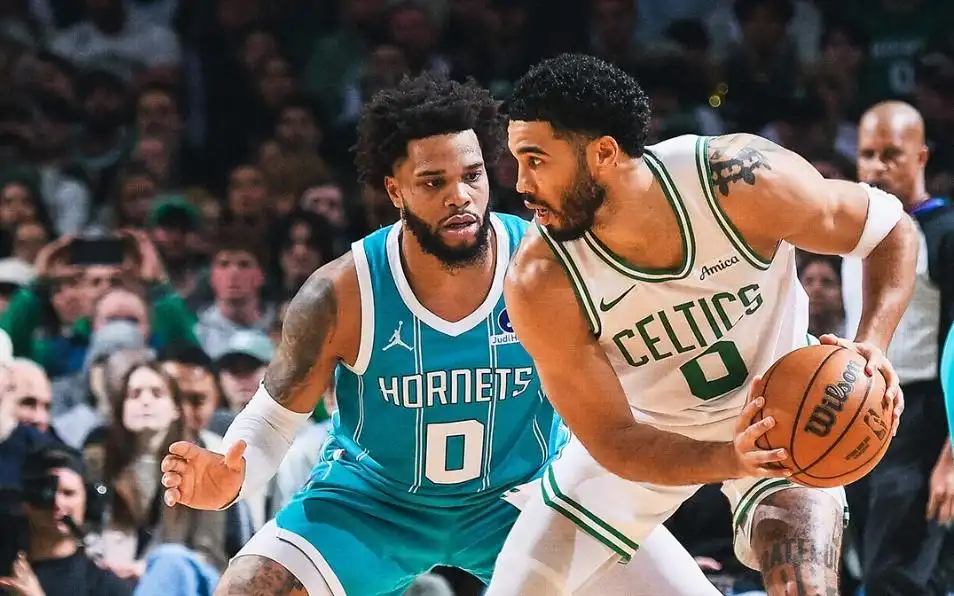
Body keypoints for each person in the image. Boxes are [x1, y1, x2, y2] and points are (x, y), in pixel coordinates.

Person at [159, 73, 711, 596]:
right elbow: (274, 419)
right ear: (395, 191)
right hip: (374, 503)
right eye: (433, 182)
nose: (460, 196)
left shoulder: (548, 264)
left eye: (472, 175)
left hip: (526, 496)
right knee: (248, 587)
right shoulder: (341, 292)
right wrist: (233, 478)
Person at [487, 53, 918, 595]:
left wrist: (873, 343)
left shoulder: (735, 180)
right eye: (517, 160)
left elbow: (890, 230)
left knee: (806, 584)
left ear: (603, 153)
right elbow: (614, 438)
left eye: (536, 160)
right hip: (647, 433)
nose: (520, 183)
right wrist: (729, 457)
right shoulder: (541, 279)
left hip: (782, 411)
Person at [844, 101, 954, 595]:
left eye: (892, 154)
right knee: (863, 569)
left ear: (922, 157)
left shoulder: (944, 231)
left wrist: (952, 454)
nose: (877, 166)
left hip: (926, 417)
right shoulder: (854, 232)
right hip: (862, 412)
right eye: (868, 154)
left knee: (898, 577)